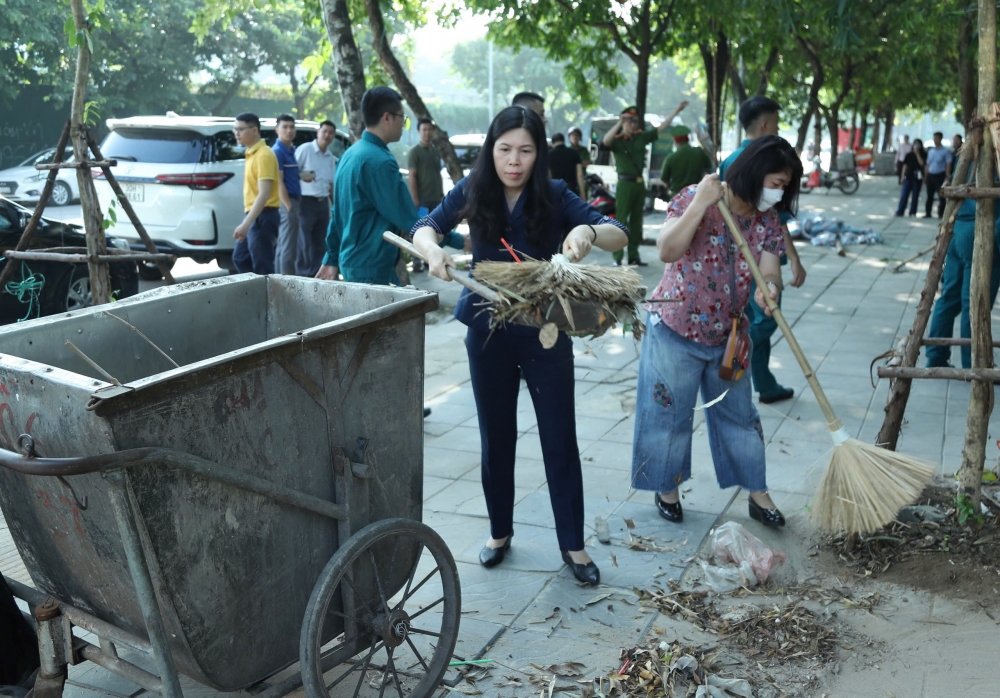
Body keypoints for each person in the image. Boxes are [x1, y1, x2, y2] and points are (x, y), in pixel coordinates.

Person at [411, 106, 629, 585]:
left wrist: (587, 231)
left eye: (525, 151)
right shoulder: (474, 190)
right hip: (486, 328)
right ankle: (499, 532)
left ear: (539, 154)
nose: (514, 161)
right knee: (497, 436)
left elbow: (619, 233)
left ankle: (573, 543)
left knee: (559, 437)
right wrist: (432, 250)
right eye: (505, 149)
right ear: (492, 150)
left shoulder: (553, 194)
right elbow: (425, 225)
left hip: (544, 328)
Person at [632, 135, 803, 530]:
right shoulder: (699, 196)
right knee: (667, 414)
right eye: (775, 183)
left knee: (740, 417)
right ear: (754, 175)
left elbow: (771, 267)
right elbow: (667, 250)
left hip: (729, 337)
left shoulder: (767, 221)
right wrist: (699, 204)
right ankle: (667, 488)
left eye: (784, 186)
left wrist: (770, 287)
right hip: (675, 327)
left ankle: (757, 493)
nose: (778, 193)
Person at [719, 96, 806, 404]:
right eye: (779, 184)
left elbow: (774, 222)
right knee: (763, 320)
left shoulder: (733, 159)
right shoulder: (752, 164)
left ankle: (764, 383)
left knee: (763, 311)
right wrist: (794, 259)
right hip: (747, 261)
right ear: (766, 125)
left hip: (757, 259)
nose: (780, 192)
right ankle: (730, 355)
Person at [315, 87, 418, 285]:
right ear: (387, 118)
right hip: (371, 268)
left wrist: (331, 257)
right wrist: (456, 240)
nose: (403, 126)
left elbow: (337, 213)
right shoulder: (379, 161)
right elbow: (407, 218)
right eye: (402, 118)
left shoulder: (349, 155)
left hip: (354, 263)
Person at [603, 101, 689, 266]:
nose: (632, 124)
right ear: (623, 121)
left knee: (636, 222)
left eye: (634, 121)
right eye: (629, 120)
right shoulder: (618, 141)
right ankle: (618, 257)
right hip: (624, 184)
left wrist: (677, 109)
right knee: (620, 221)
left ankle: (634, 255)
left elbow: (661, 128)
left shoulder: (641, 137)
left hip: (638, 184)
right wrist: (619, 122)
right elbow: (606, 141)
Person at [926, 194, 1000, 369]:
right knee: (975, 303)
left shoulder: (966, 164)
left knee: (949, 298)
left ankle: (936, 356)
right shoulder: (993, 166)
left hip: (957, 229)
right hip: (979, 233)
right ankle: (974, 364)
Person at [232, 112, 280, 274]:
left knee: (263, 267)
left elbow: (264, 193)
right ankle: (253, 296)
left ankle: (269, 299)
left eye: (241, 129)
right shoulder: (251, 152)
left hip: (264, 216)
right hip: (255, 214)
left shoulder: (264, 154)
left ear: (254, 130)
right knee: (241, 258)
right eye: (235, 129)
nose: (236, 133)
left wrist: (246, 224)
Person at [295, 119, 337, 277]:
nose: (327, 135)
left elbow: (331, 184)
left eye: (330, 133)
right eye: (324, 131)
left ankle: (317, 275)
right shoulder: (305, 150)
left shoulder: (330, 157)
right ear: (318, 132)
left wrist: (335, 205)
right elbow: (289, 173)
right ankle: (303, 275)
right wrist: (302, 176)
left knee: (321, 241)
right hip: (305, 201)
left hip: (322, 203)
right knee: (303, 242)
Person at [407, 118, 446, 272]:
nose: (427, 133)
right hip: (422, 200)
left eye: (430, 130)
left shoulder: (435, 151)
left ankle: (430, 260)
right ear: (419, 132)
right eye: (424, 130)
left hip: (436, 198)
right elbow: (412, 176)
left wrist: (442, 194)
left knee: (435, 232)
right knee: (420, 231)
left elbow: (439, 174)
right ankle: (417, 260)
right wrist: (415, 198)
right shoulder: (414, 152)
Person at [272, 114, 301, 275]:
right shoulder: (277, 151)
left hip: (294, 200)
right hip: (287, 202)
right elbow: (278, 181)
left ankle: (279, 279)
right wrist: (288, 206)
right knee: (288, 247)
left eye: (291, 127)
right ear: (277, 130)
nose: (289, 130)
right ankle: (287, 283)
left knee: (284, 244)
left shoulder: (292, 150)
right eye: (285, 127)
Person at [658, 128, 712, 199]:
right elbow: (709, 168)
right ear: (688, 139)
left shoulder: (671, 158)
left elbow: (664, 179)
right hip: (696, 196)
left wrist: (670, 185)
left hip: (677, 197)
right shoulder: (699, 152)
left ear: (675, 141)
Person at [924, 131, 953, 219]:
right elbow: (928, 164)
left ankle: (941, 213)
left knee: (941, 195)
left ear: (940, 139)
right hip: (931, 175)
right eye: (934, 138)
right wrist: (925, 176)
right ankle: (928, 213)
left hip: (940, 175)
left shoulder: (945, 151)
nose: (935, 140)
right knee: (929, 195)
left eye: (937, 138)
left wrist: (947, 175)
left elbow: (948, 163)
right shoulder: (931, 151)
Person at [548, 132, 586, 197]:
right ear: (564, 141)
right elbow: (580, 175)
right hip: (571, 191)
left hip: (555, 191)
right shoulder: (574, 153)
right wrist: (582, 193)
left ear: (553, 144)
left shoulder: (548, 155)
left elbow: (547, 175)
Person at [895, 139, 925, 217]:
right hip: (908, 177)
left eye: (918, 144)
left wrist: (917, 154)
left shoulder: (924, 154)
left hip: (917, 178)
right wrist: (902, 177)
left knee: (915, 196)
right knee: (904, 194)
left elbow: (922, 164)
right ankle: (900, 211)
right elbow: (905, 166)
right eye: (915, 144)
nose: (916, 146)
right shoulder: (909, 155)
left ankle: (912, 212)